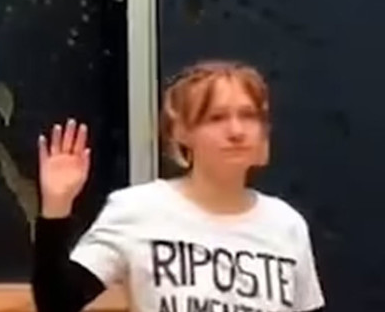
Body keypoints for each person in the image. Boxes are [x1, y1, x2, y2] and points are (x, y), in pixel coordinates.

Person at [32, 60, 325, 312]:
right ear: (181, 132)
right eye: (216, 118)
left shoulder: (286, 224)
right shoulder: (138, 210)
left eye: (248, 116)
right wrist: (56, 206)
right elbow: (57, 302)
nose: (236, 131)